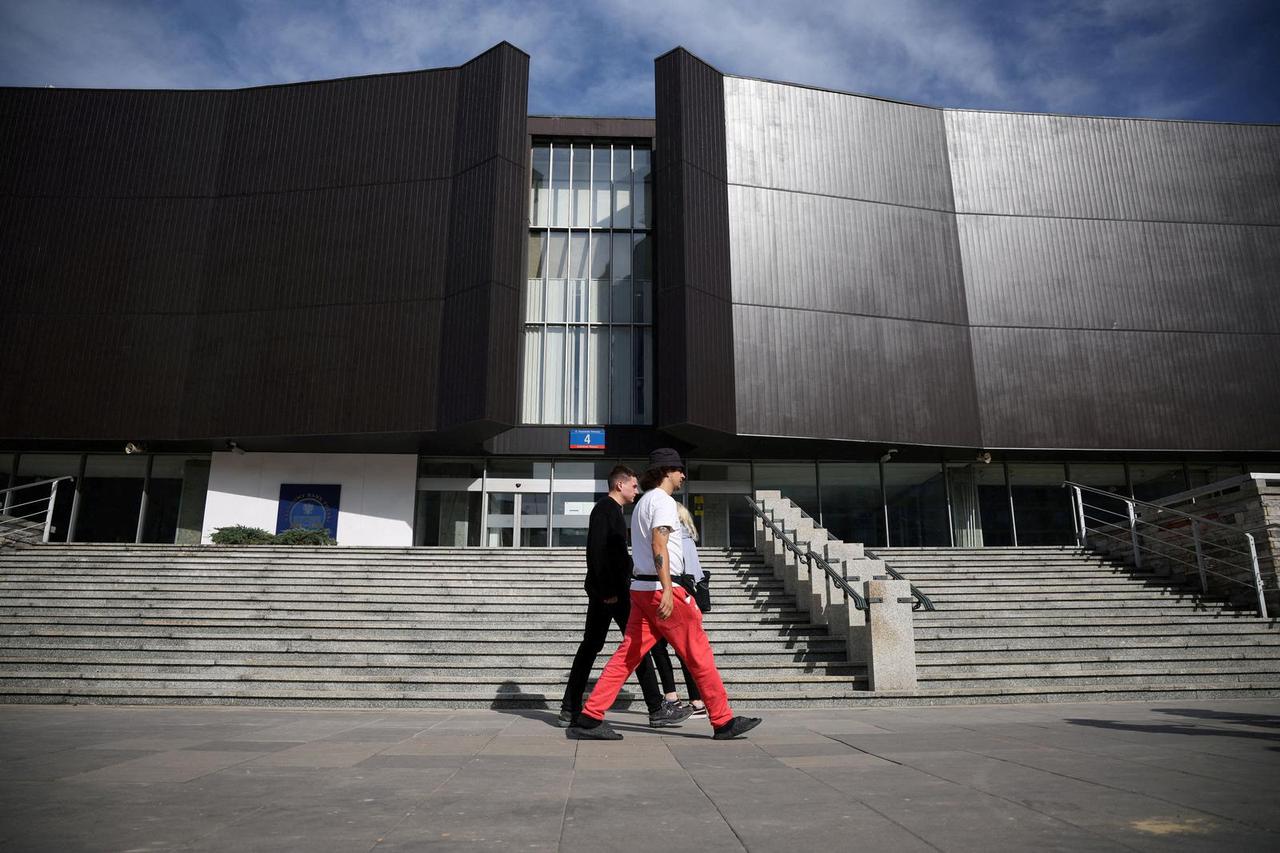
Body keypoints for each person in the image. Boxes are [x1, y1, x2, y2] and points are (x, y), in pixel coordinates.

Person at [568, 448, 761, 741]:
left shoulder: (643, 502)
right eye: (679, 470)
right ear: (667, 471)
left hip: (641, 590)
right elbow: (659, 546)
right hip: (661, 589)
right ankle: (723, 721)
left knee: (627, 655)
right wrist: (670, 589)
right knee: (699, 653)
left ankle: (589, 717)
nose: (683, 475)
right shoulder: (663, 502)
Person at [558, 465, 692, 729]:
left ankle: (569, 708)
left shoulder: (613, 511)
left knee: (598, 647)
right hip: (611, 594)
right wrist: (607, 592)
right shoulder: (605, 509)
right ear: (619, 485)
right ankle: (655, 709)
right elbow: (597, 553)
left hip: (612, 591)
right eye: (633, 485)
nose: (636, 490)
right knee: (633, 647)